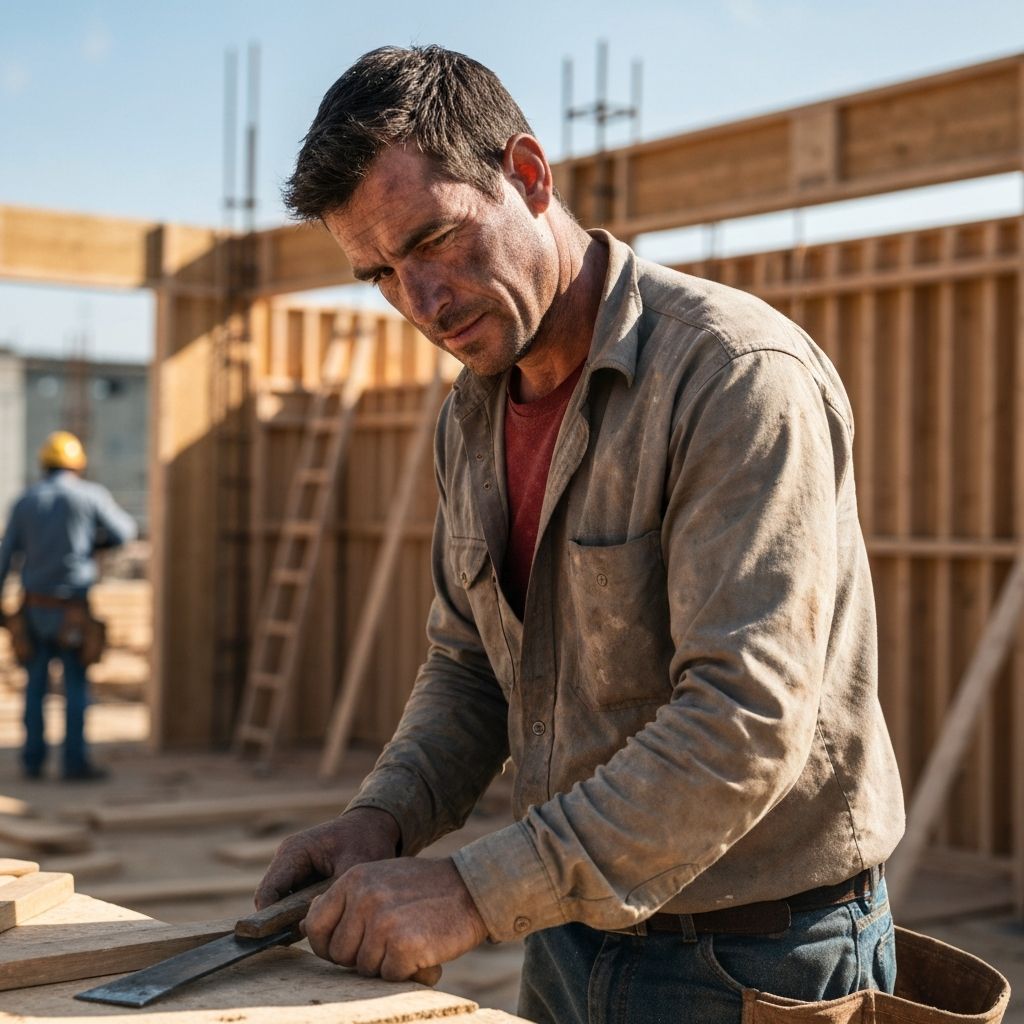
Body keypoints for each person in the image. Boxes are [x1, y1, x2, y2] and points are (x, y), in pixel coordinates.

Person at [255, 45, 905, 1023]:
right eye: (381, 275)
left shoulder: (732, 375)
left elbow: (742, 720)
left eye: (434, 240)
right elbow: (472, 667)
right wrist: (385, 816)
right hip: (568, 931)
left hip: (757, 956)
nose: (421, 303)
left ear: (527, 174)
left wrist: (473, 890)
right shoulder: (472, 414)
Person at [0, 431, 137, 781]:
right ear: (77, 464)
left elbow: (6, 555)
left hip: (34, 608)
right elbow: (125, 532)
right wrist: (93, 541)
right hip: (72, 611)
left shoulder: (26, 501)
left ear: (44, 464)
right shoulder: (90, 496)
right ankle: (74, 763)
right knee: (75, 685)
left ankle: (32, 762)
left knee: (35, 685)